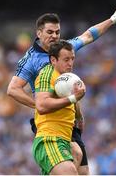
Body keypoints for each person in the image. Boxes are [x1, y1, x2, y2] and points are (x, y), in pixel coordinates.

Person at [7, 5, 116, 175]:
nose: (54, 36)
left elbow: (88, 35)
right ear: (39, 33)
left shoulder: (65, 49)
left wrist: (113, 19)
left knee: (83, 170)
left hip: (68, 117)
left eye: (57, 32)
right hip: (51, 122)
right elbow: (13, 89)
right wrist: (41, 105)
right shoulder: (30, 60)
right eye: (50, 32)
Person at [33, 40, 86, 175]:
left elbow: (72, 99)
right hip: (49, 139)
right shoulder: (47, 73)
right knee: (70, 172)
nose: (70, 63)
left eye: (72, 59)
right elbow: (41, 106)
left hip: (64, 138)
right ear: (53, 60)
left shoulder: (67, 77)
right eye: (66, 59)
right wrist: (74, 98)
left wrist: (79, 116)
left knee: (78, 156)